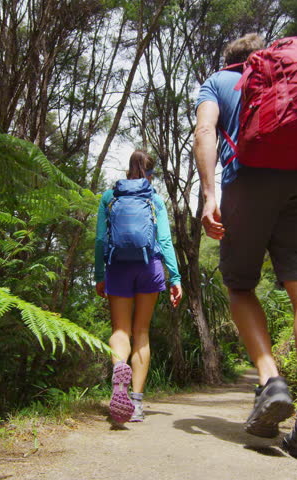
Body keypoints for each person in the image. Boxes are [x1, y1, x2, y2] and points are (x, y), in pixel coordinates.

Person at [193, 33, 297, 469]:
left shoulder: (218, 81)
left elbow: (205, 130)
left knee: (239, 285)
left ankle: (271, 379)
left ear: (230, 61)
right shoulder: (290, 77)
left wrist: (207, 195)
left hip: (248, 177)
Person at [94, 150, 183, 424]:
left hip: (117, 266)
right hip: (150, 267)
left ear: (127, 170)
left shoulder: (110, 198)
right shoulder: (154, 200)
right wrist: (175, 278)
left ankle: (119, 368)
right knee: (141, 332)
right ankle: (137, 403)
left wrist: (99, 274)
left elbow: (99, 240)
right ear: (150, 173)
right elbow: (165, 241)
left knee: (120, 330)